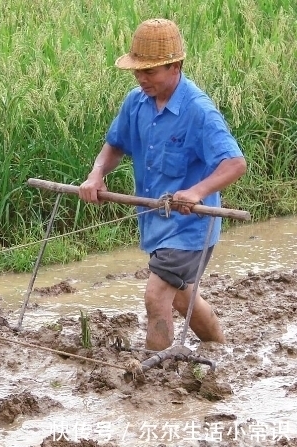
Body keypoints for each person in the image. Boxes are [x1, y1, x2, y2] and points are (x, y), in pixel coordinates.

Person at [78, 18, 247, 351]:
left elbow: (235, 163)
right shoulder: (136, 102)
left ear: (175, 66)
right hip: (155, 222)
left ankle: (156, 376)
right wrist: (96, 174)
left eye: (150, 72)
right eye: (137, 71)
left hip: (191, 227)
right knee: (183, 299)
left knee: (156, 296)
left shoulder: (199, 112)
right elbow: (115, 144)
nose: (142, 78)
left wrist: (197, 191)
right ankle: (221, 347)